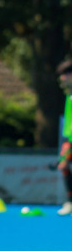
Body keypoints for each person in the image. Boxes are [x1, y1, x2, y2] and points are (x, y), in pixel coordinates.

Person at [56, 59, 72, 215]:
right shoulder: (69, 95)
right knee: (63, 166)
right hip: (69, 139)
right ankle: (70, 201)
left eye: (63, 75)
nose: (61, 79)